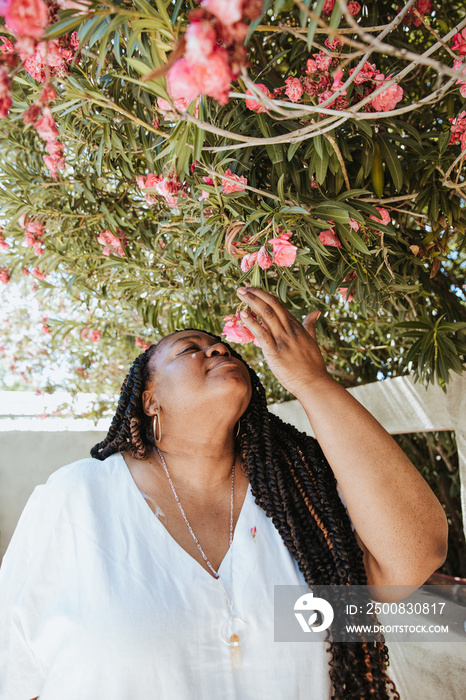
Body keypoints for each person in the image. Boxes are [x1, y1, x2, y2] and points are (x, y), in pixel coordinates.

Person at [0, 287, 448, 700]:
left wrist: (314, 382)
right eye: (190, 348)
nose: (217, 348)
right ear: (149, 399)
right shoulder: (77, 499)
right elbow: (15, 673)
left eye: (225, 347)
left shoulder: (300, 506)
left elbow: (414, 556)